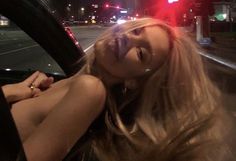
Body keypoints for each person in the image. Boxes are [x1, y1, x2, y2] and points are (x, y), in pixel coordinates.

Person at [6, 18, 231, 161]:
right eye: (136, 31)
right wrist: (18, 90)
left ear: (135, 81)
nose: (126, 39)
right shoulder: (75, 80)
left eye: (142, 54)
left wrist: (8, 94)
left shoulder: (90, 89)